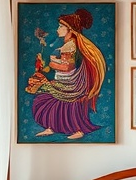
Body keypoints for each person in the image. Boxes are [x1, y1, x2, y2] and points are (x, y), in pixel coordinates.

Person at [29, 8, 106, 140]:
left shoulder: (70, 46)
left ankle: (78, 129)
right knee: (56, 102)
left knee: (47, 99)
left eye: (61, 26)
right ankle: (52, 127)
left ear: (69, 29)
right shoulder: (68, 44)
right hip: (64, 79)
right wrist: (45, 65)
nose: (58, 29)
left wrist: (52, 64)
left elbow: (67, 66)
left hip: (71, 82)